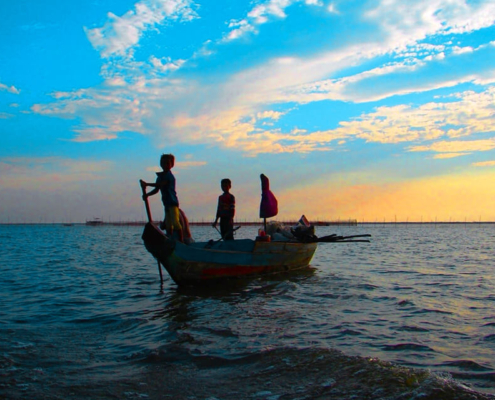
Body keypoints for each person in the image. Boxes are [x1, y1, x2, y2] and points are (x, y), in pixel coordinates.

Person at [140, 154, 183, 243]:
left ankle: (181, 240)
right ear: (161, 164)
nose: (165, 165)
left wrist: (147, 184)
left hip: (172, 203)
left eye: (168, 163)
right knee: (168, 224)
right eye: (163, 163)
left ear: (172, 165)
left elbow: (161, 184)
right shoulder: (160, 177)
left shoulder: (169, 176)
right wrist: (147, 194)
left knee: (175, 222)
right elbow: (156, 189)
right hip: (166, 203)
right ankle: (170, 238)